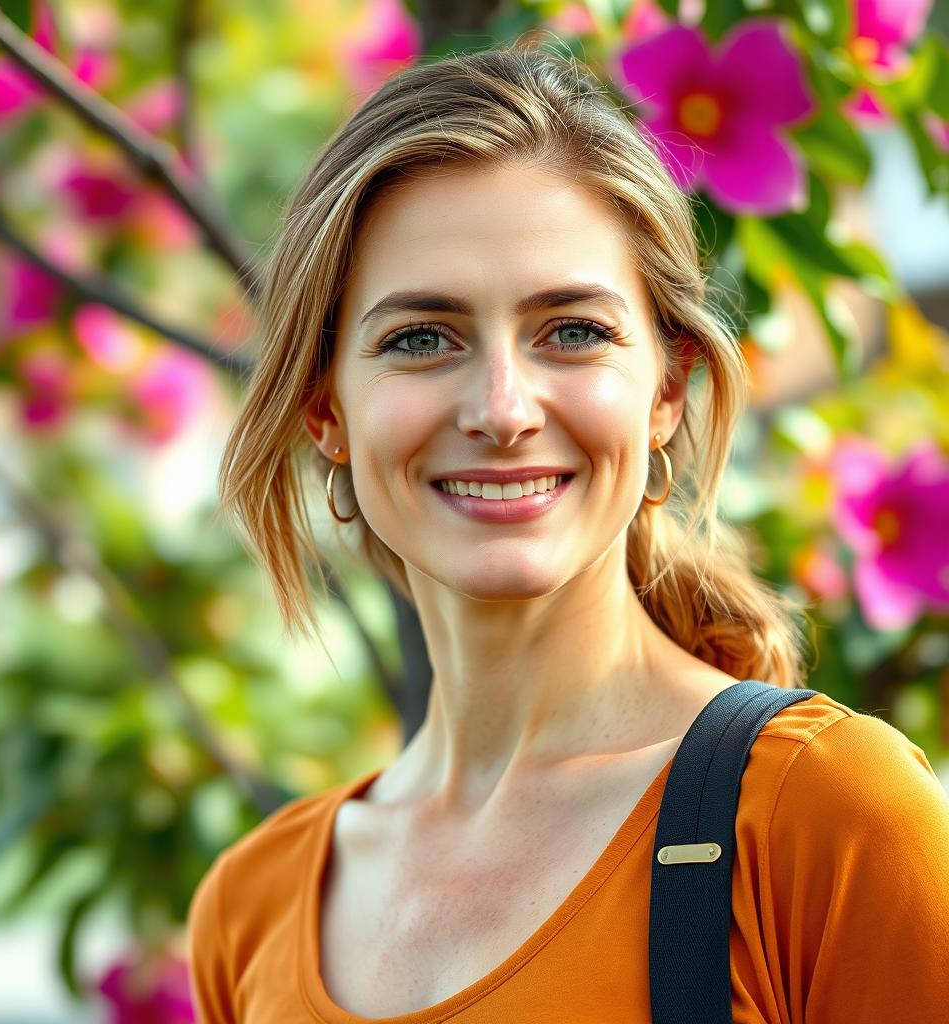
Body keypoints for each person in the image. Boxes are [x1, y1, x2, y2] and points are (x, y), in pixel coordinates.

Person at [187, 38, 949, 1023]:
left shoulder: (825, 816)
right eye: (421, 337)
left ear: (665, 391)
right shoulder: (250, 907)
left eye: (572, 331)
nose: (502, 409)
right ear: (325, 409)